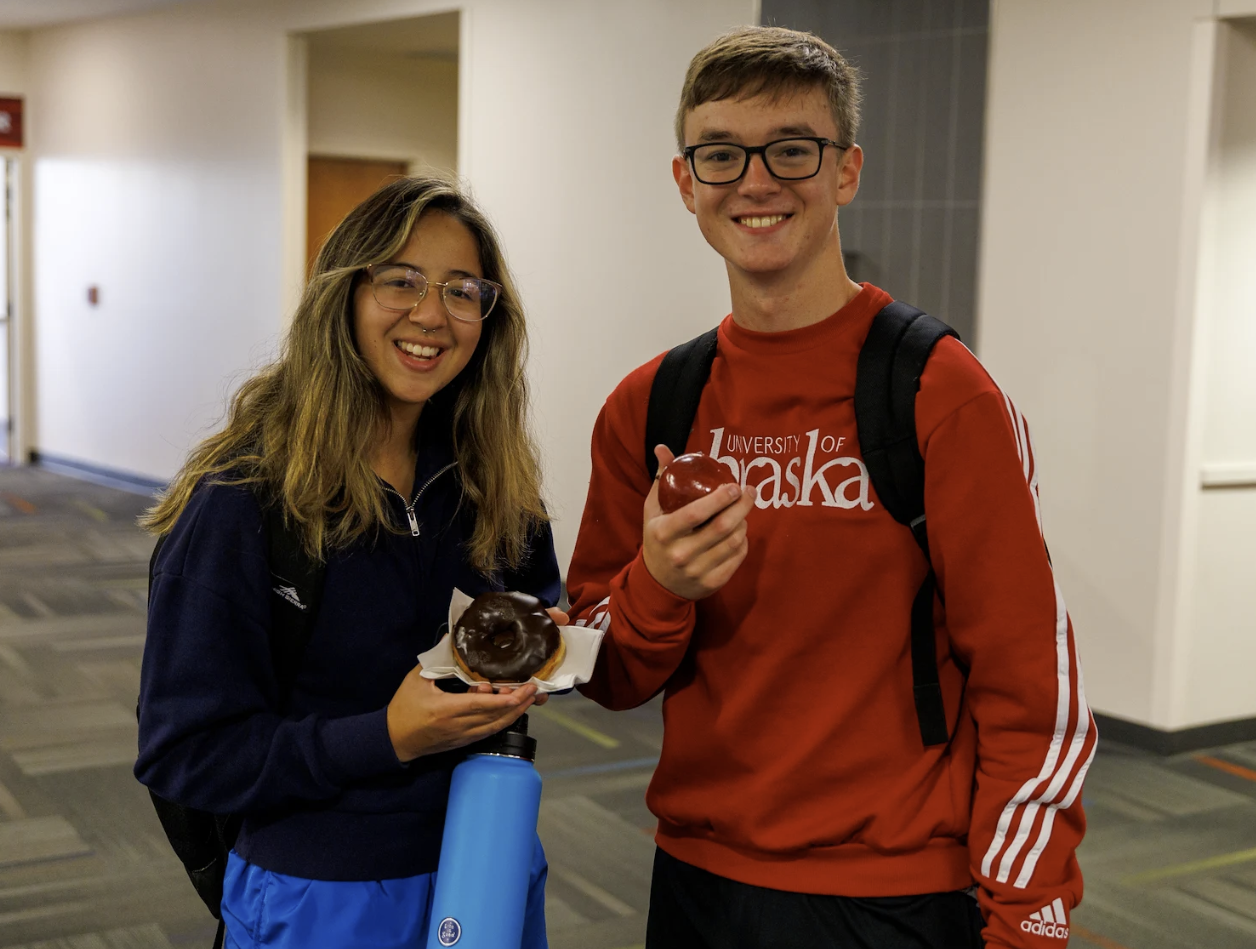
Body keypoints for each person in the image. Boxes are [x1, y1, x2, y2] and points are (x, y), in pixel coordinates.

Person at [566, 26, 1095, 949]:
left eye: (792, 150)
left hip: (894, 894)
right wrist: (659, 585)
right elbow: (601, 670)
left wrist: (1027, 919)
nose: (755, 181)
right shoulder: (650, 405)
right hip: (696, 880)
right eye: (721, 154)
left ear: (846, 170)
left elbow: (1032, 688)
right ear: (686, 182)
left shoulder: (940, 392)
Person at [135, 176, 562, 949]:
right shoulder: (245, 497)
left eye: (462, 290)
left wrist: (542, 642)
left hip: (487, 855)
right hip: (324, 890)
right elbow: (186, 751)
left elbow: (538, 600)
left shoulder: (488, 475)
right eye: (401, 280)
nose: (431, 314)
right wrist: (387, 735)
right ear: (344, 294)